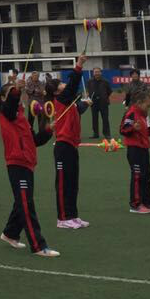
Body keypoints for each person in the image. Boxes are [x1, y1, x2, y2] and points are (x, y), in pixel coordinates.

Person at [0, 75, 59, 257]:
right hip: (16, 163)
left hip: (27, 163)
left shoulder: (21, 117)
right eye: (11, 92)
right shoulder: (6, 113)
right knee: (26, 204)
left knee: (22, 201)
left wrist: (48, 129)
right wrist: (16, 89)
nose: (16, 94)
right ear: (5, 98)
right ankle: (38, 246)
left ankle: (10, 233)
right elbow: (9, 105)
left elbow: (34, 141)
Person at [47, 58, 90, 229]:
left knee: (73, 183)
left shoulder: (68, 101)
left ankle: (73, 216)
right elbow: (72, 85)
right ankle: (63, 218)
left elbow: (75, 98)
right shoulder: (61, 99)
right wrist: (79, 65)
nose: (64, 84)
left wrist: (85, 104)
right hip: (63, 146)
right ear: (56, 91)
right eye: (61, 84)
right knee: (63, 184)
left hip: (71, 145)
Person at [120, 91, 150, 214]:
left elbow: (145, 130)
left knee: (147, 175)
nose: (149, 108)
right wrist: (133, 128)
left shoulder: (143, 114)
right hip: (134, 149)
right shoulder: (131, 113)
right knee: (138, 176)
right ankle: (135, 205)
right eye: (147, 105)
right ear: (139, 103)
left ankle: (147, 202)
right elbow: (123, 129)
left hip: (144, 148)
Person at [88, 68, 112, 139]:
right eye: (95, 72)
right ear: (93, 73)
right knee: (94, 118)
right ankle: (95, 134)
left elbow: (109, 91)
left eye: (98, 72)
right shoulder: (90, 81)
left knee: (105, 118)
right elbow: (89, 90)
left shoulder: (105, 81)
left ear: (101, 73)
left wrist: (104, 97)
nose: (97, 73)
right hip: (94, 103)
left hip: (103, 102)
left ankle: (107, 134)